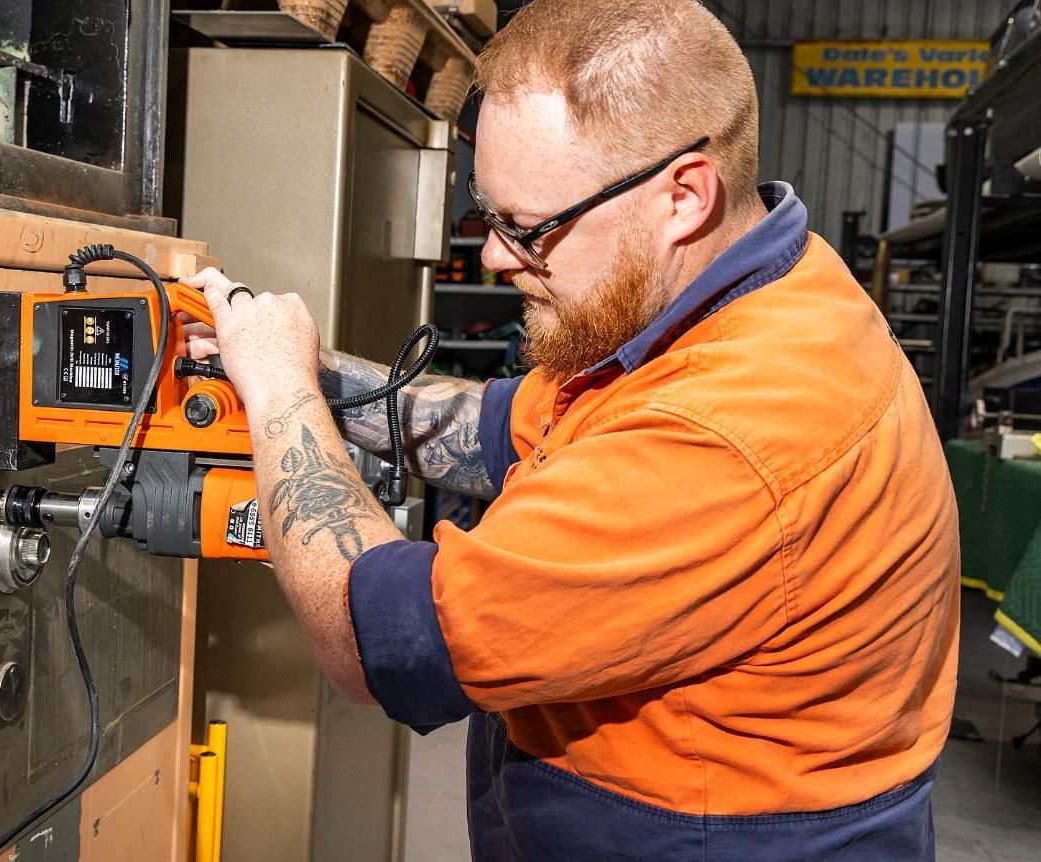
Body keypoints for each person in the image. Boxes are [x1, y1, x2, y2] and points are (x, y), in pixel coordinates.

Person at [178, 0, 960, 858]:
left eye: (529, 227)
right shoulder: (747, 293)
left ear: (683, 197)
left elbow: (373, 641)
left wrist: (283, 399)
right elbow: (490, 425)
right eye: (487, 216)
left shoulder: (725, 428)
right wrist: (298, 368)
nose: (493, 256)